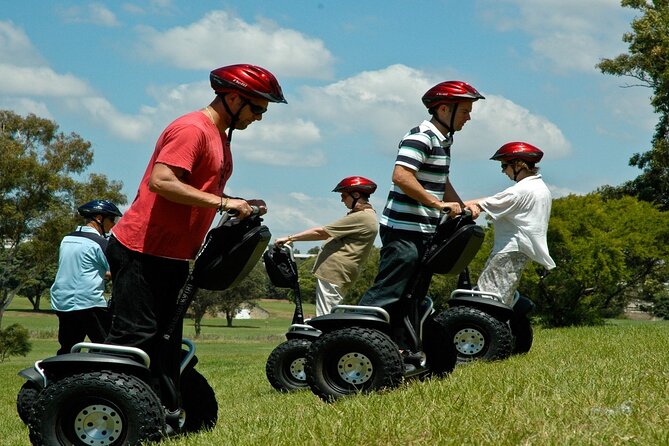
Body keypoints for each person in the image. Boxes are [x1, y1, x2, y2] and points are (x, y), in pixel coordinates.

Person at [104, 64, 286, 414]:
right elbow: (162, 181)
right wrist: (223, 202)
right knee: (134, 338)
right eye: (257, 108)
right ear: (232, 97)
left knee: (165, 341)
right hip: (141, 249)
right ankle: (106, 408)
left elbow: (198, 189)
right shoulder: (192, 129)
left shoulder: (219, 135)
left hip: (171, 254)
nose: (260, 118)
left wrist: (239, 203)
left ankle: (155, 411)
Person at [358, 80, 484, 355]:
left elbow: (441, 179)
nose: (469, 117)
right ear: (442, 109)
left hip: (423, 230)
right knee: (390, 291)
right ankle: (353, 339)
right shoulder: (421, 136)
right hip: (403, 229)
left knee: (413, 293)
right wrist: (438, 205)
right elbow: (402, 176)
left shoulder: (443, 140)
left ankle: (398, 348)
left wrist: (461, 207)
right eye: (464, 111)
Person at [464, 141, 555, 305]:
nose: (503, 171)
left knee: (487, 299)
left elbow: (485, 204)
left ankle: (485, 330)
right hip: (519, 251)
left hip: (508, 251)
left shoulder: (521, 190)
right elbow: (491, 201)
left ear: (518, 164)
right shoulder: (540, 188)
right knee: (501, 300)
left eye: (504, 166)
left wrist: (450, 206)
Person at [275, 176, 379, 316]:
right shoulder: (367, 215)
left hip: (335, 272)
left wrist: (290, 238)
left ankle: (326, 338)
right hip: (340, 273)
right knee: (330, 313)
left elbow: (321, 232)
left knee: (325, 316)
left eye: (343, 195)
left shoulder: (362, 216)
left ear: (356, 195)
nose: (342, 199)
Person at [50, 199, 122, 355]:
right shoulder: (100, 243)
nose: (113, 224)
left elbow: (79, 267)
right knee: (108, 347)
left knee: (68, 349)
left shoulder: (67, 239)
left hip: (62, 301)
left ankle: (59, 377)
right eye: (112, 219)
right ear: (99, 218)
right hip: (88, 302)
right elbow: (117, 271)